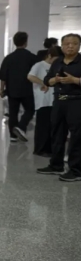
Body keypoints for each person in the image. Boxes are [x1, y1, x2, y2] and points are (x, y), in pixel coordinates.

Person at [38, 34, 80, 182]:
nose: (70, 46)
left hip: (76, 102)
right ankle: (56, 165)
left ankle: (76, 170)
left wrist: (75, 80)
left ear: (79, 46)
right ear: (61, 46)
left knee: (76, 136)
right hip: (59, 101)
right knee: (57, 133)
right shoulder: (57, 62)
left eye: (74, 43)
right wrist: (54, 80)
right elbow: (46, 81)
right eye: (67, 43)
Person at [0, 32, 39, 142]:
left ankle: (13, 136)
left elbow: (3, 76)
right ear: (26, 42)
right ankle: (21, 127)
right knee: (30, 109)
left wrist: (1, 89)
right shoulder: (32, 57)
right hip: (27, 89)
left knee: (13, 113)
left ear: (14, 43)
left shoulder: (9, 58)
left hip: (12, 90)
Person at [28, 46, 59, 157]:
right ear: (49, 56)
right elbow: (30, 76)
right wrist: (43, 83)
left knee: (52, 126)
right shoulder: (39, 65)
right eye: (55, 59)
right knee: (42, 126)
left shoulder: (57, 66)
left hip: (54, 100)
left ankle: (49, 149)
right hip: (42, 100)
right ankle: (40, 149)